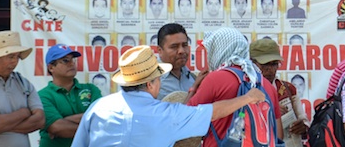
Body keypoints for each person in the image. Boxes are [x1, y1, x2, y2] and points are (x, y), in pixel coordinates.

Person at [70, 45, 266, 147]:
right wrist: (248, 97)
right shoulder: (166, 114)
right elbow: (212, 112)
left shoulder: (98, 107)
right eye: (158, 79)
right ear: (149, 83)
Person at [187, 27, 283, 146]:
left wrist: (194, 89)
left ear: (219, 50)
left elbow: (187, 119)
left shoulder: (215, 79)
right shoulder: (266, 85)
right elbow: (277, 135)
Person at [38, 44, 102, 147]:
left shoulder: (91, 89)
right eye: (65, 61)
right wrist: (91, 127)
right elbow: (58, 128)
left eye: (73, 60)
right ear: (51, 67)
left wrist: (65, 120)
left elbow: (101, 119)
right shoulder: (42, 95)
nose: (71, 64)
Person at [250, 38, 309, 147]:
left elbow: (303, 121)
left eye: (274, 64)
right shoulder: (244, 90)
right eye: (265, 64)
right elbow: (239, 122)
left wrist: (302, 127)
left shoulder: (288, 88)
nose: (270, 70)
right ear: (251, 63)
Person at [156, 23, 204, 100]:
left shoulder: (193, 78)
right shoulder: (150, 81)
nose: (181, 51)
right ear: (160, 51)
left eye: (185, 45)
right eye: (174, 47)